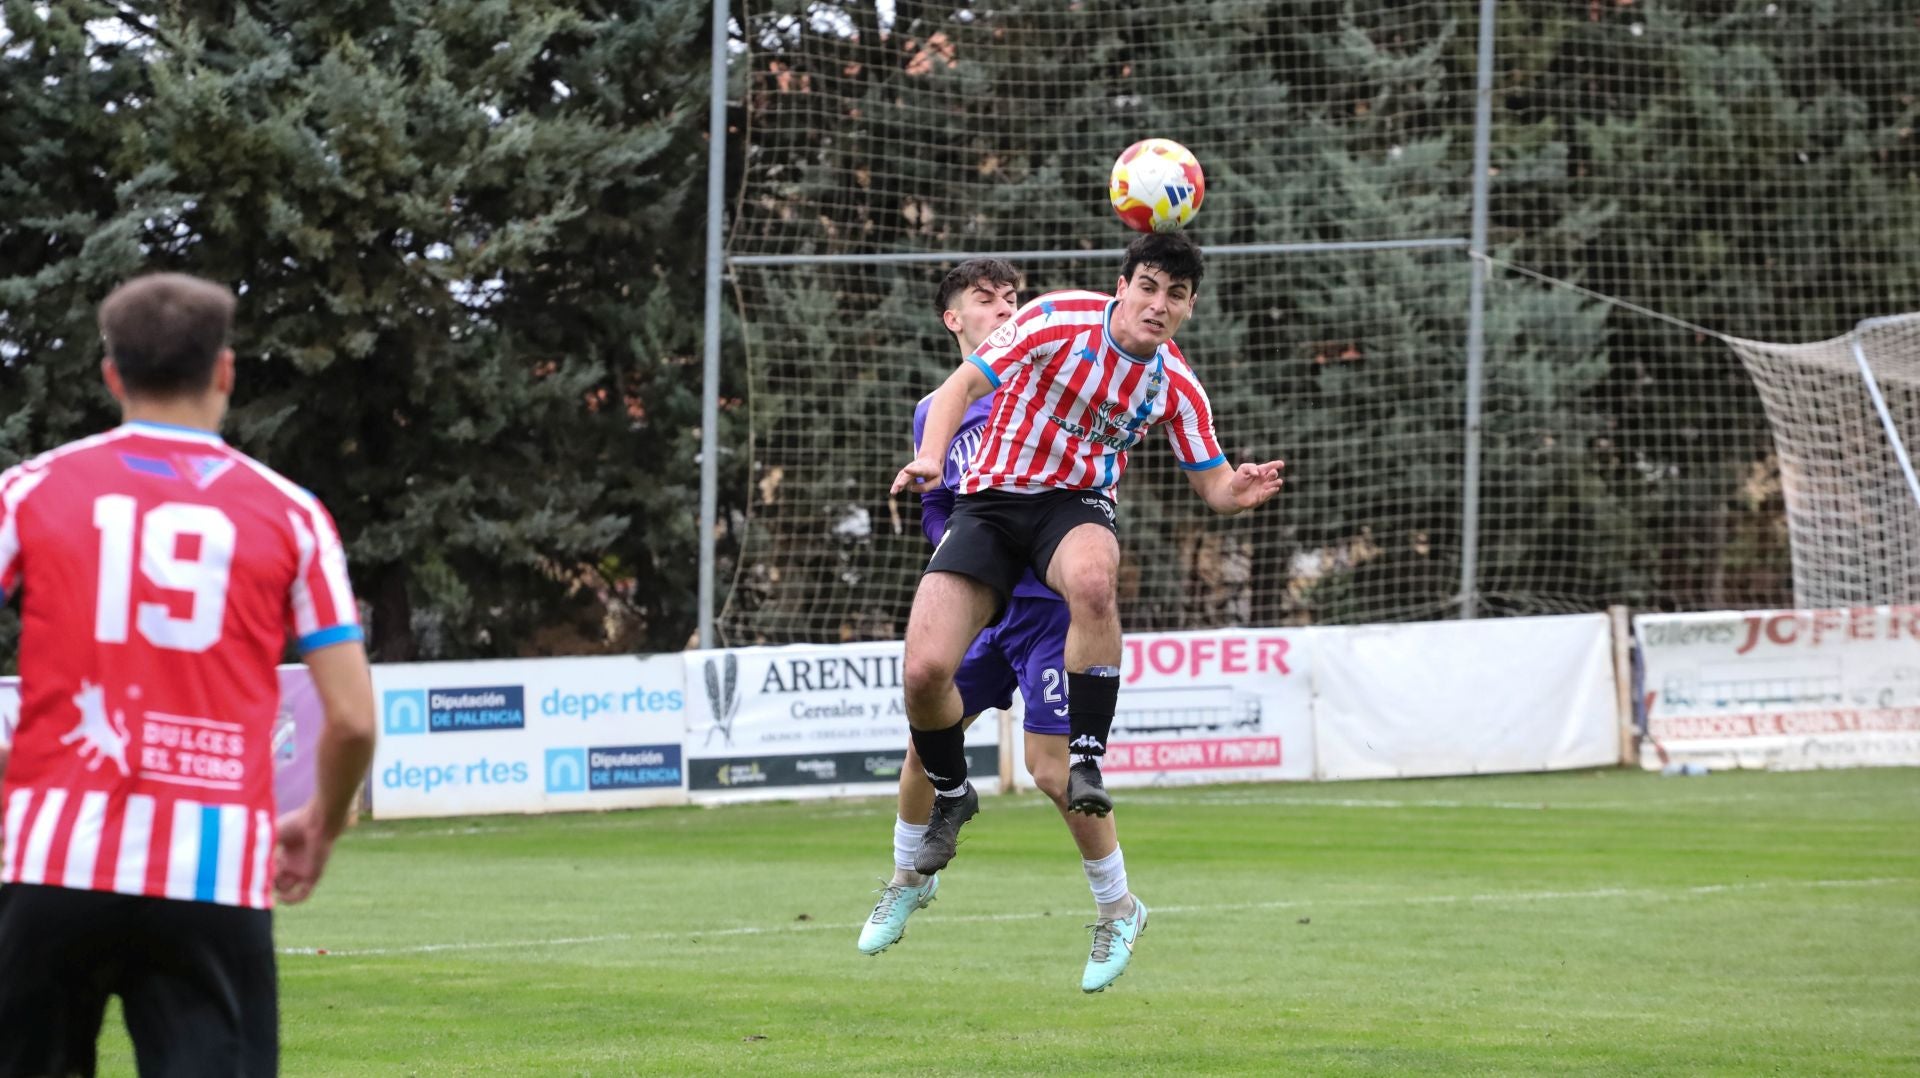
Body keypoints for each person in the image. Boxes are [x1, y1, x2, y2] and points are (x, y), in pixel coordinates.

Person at [0, 273, 377, 1077]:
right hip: (209, 876)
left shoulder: (28, 491)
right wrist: (325, 818)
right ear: (226, 372)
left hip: (49, 864)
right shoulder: (290, 513)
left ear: (112, 376)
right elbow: (351, 718)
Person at [887, 232, 1285, 966]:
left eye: (1176, 295)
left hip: (1071, 508)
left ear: (1190, 307)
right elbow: (957, 389)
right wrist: (931, 459)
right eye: (1149, 287)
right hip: (991, 505)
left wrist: (1241, 491)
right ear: (1121, 286)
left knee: (1095, 588)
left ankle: (1091, 769)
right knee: (921, 675)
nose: (1159, 305)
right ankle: (944, 809)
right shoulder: (1055, 319)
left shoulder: (1175, 384)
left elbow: (1214, 483)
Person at [859, 259, 1147, 992]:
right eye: (986, 301)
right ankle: (907, 879)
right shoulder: (939, 409)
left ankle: (1118, 907)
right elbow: (940, 505)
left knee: (1054, 773)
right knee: (926, 738)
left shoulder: (1045, 386)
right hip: (987, 606)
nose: (1005, 309)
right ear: (953, 320)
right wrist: (960, 559)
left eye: (1013, 298)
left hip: (1049, 615)